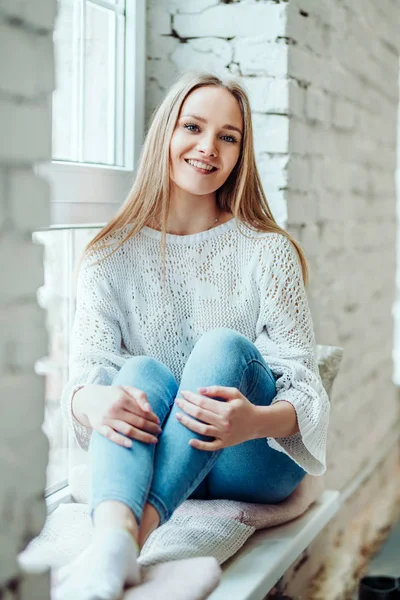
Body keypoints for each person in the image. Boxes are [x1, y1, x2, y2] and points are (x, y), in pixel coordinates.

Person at [56, 71, 330, 600]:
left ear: (240, 154)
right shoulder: (108, 256)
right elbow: (82, 380)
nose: (208, 147)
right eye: (193, 127)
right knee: (136, 375)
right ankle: (115, 548)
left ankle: (125, 543)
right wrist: (96, 401)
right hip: (159, 452)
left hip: (247, 458)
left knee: (222, 349)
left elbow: (307, 387)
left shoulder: (266, 252)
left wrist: (253, 420)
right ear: (166, 133)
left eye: (228, 137)